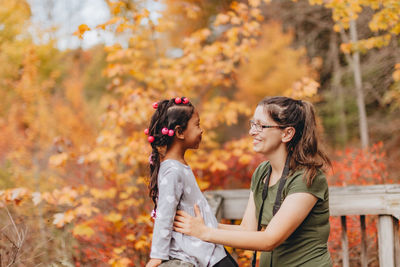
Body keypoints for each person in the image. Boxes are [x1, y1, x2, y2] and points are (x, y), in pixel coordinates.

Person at [174, 96, 332, 267]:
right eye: (253, 124)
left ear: (287, 134)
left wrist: (205, 233)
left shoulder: (307, 177)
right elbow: (247, 229)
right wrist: (201, 225)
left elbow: (269, 239)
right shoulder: (263, 172)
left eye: (261, 126)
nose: (252, 132)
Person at [145, 97, 238, 267]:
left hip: (210, 248)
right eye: (197, 125)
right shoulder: (172, 171)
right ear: (180, 132)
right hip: (200, 253)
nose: (201, 131)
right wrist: (158, 256)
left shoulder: (179, 167)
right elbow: (165, 215)